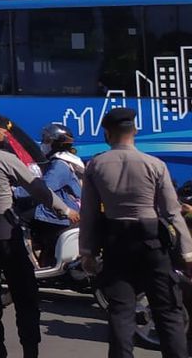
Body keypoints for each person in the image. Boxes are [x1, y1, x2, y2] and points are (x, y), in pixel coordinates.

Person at [0, 112, 80, 358]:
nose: (5, 135)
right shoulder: (4, 159)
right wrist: (65, 210)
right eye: (2, 131)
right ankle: (30, 352)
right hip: (6, 232)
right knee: (25, 295)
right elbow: (38, 188)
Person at [80, 107, 191, 358]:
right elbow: (172, 212)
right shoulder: (155, 165)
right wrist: (187, 253)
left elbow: (89, 213)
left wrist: (87, 252)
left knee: (121, 312)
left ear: (108, 134)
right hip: (152, 242)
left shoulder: (96, 165)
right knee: (168, 311)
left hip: (115, 243)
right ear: (136, 131)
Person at [31, 123, 83, 266]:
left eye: (46, 140)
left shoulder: (59, 165)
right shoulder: (67, 161)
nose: (43, 144)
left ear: (56, 144)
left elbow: (44, 187)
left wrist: (15, 192)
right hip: (64, 212)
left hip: (62, 216)